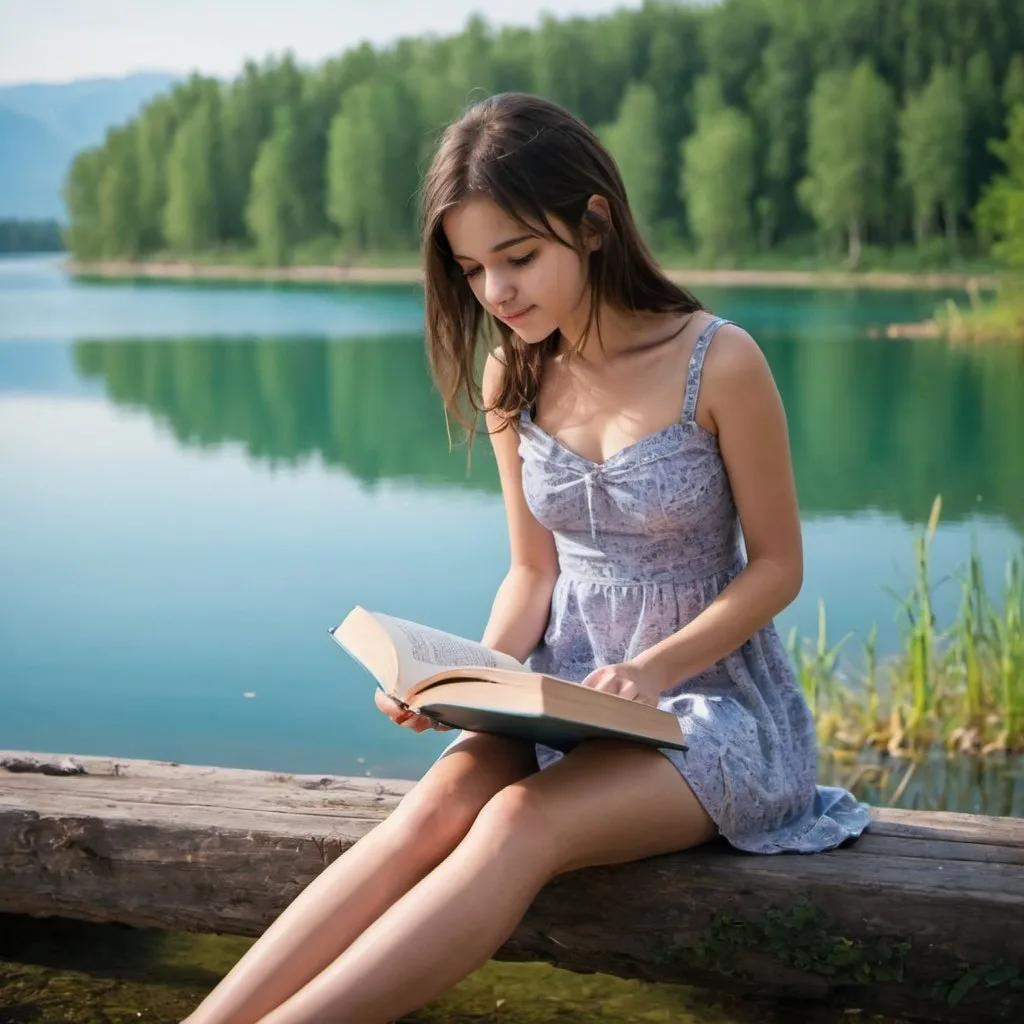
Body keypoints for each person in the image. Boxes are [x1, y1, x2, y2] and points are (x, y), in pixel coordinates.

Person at [184, 92, 871, 1024]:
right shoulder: (513, 369)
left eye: (518, 258)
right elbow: (533, 572)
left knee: (515, 821)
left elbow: (778, 567)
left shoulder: (720, 360)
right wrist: (460, 677)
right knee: (431, 811)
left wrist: (654, 668)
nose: (497, 293)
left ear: (593, 224)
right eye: (472, 270)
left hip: (709, 712)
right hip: (564, 697)